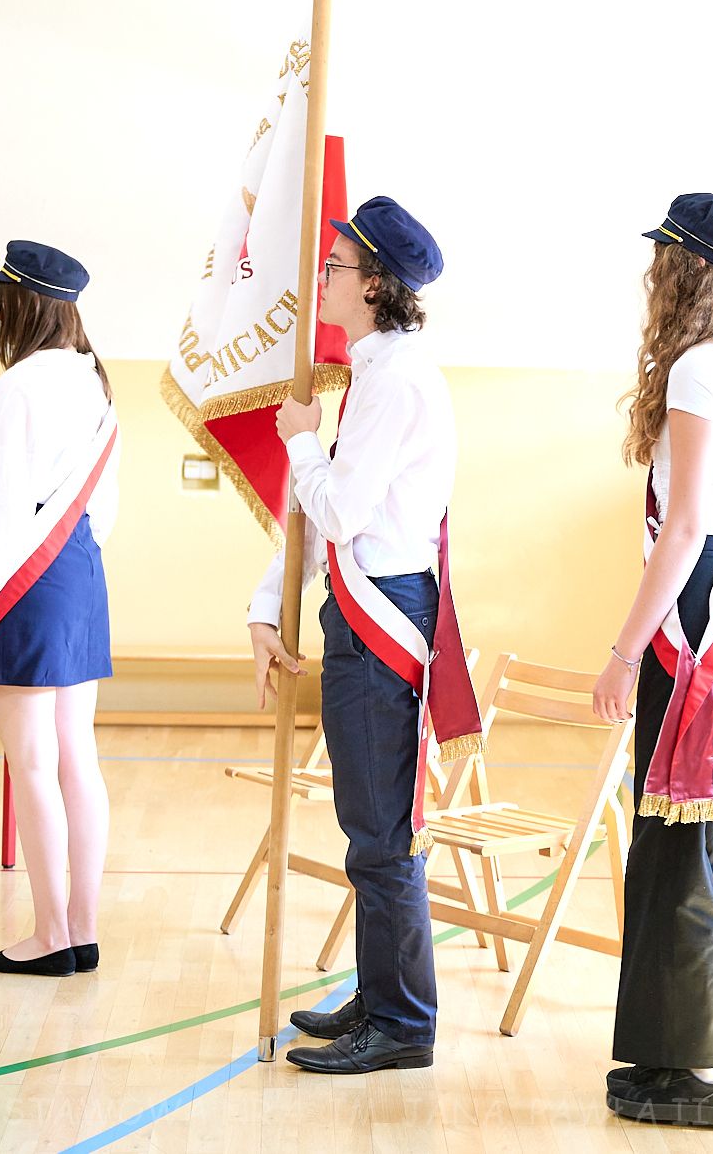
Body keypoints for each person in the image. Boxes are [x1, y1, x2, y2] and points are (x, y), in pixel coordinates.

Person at [247, 196, 480, 1074]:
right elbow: (336, 519)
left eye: (336, 266)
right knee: (367, 823)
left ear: (376, 285)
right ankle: (382, 995)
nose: (323, 277)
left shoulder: (395, 379)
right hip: (363, 603)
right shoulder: (379, 370)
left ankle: (404, 1022)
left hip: (381, 613)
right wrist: (265, 605)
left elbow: (339, 510)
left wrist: (302, 442)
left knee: (382, 831)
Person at [591, 193, 713, 1127]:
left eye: (665, 255)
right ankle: (680, 1055)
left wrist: (623, 651)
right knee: (691, 833)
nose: (653, 270)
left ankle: (702, 1071)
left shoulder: (700, 367)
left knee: (687, 834)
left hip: (697, 609)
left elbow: (686, 528)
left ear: (690, 269)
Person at [0, 240, 121, 979]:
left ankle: (49, 935)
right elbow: (103, 508)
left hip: (24, 581)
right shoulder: (96, 385)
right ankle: (82, 928)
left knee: (34, 765)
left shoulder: (17, 388)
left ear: (19, 303)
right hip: (79, 574)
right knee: (78, 759)